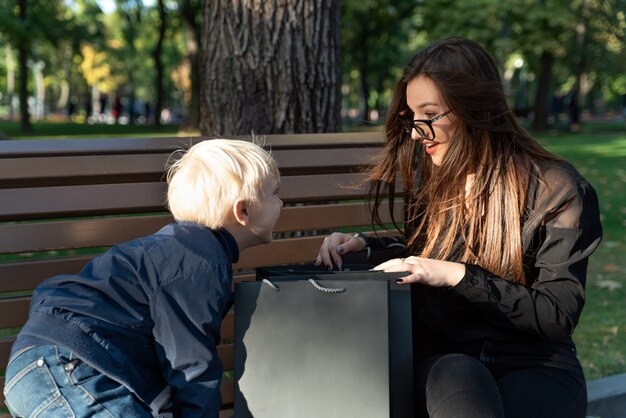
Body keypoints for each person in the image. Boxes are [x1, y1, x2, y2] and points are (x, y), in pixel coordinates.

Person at [316, 37, 602, 418]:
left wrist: (458, 276)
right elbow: (431, 250)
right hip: (448, 361)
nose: (416, 133)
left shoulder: (557, 190)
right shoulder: (435, 180)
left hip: (536, 363)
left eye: (428, 115)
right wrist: (365, 247)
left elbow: (555, 314)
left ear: (475, 109)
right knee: (458, 374)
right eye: (411, 118)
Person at [3, 139, 283, 418]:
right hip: (69, 368)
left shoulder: (181, 252)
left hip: (47, 369)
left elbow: (161, 367)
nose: (282, 202)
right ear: (243, 211)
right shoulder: (200, 263)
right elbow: (192, 366)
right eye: (275, 193)